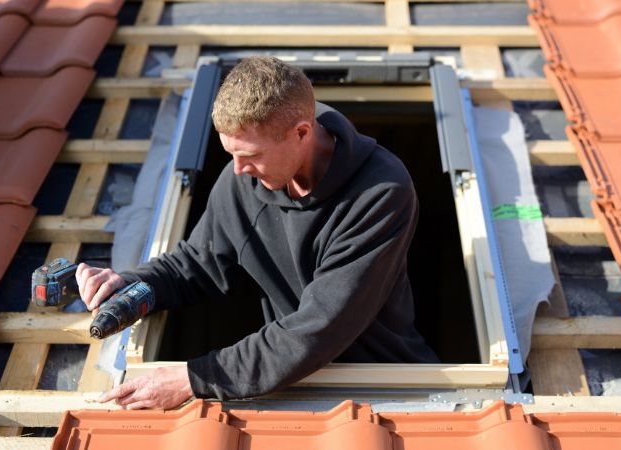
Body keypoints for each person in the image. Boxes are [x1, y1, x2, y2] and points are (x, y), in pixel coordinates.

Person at [77, 56, 438, 410]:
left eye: (250, 155)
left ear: (301, 133)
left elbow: (319, 326)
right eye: (230, 153)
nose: (237, 170)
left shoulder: (381, 191)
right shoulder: (245, 180)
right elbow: (197, 263)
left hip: (388, 387)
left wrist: (193, 378)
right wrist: (133, 286)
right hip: (291, 377)